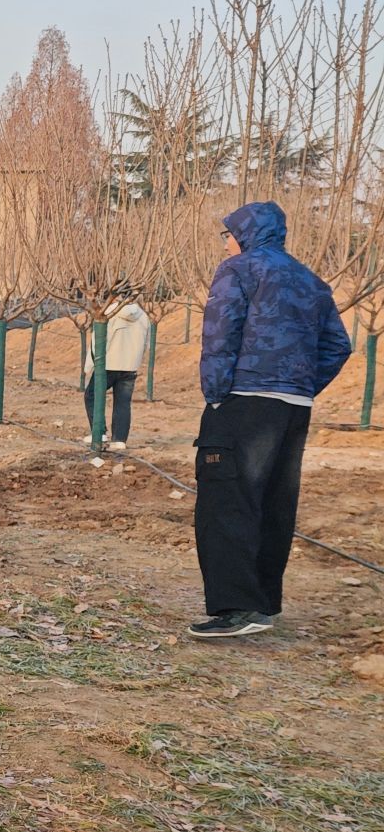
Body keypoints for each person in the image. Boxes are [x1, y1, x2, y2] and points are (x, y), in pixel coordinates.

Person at [190, 201, 351, 641]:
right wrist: (300, 384)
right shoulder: (311, 280)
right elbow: (338, 346)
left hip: (244, 401)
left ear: (245, 235)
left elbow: (220, 336)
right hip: (293, 407)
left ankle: (237, 608)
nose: (225, 243)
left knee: (227, 501)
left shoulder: (239, 271)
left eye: (228, 235)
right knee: (274, 502)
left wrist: (216, 395)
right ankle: (262, 604)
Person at [82, 298, 152, 453]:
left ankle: (99, 432)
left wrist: (89, 365)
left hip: (108, 364)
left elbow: (97, 342)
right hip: (130, 366)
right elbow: (147, 343)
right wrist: (137, 360)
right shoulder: (142, 315)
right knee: (123, 402)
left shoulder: (107, 312)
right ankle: (119, 440)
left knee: (91, 396)